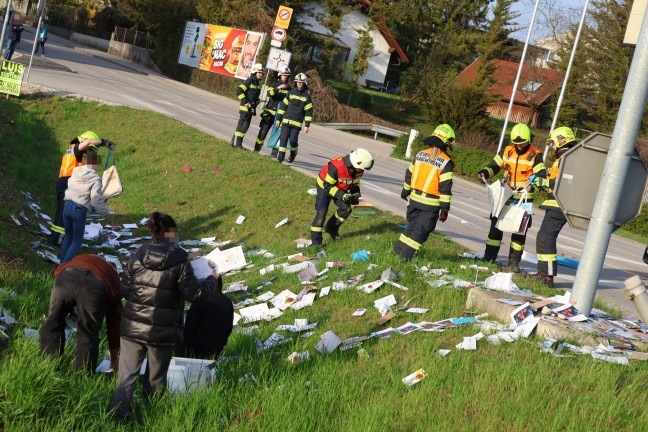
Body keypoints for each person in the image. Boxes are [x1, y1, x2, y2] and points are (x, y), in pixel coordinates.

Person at [110, 212, 219, 421]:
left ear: (153, 231)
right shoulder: (180, 261)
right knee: (155, 379)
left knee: (126, 377)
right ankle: (152, 419)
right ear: (171, 233)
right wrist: (212, 279)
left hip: (132, 327)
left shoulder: (136, 256)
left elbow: (124, 290)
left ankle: (118, 419)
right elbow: (194, 294)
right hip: (163, 331)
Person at [477, 123, 546, 272]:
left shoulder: (536, 155)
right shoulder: (507, 151)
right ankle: (489, 258)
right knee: (495, 227)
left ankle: (514, 264)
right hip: (505, 195)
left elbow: (541, 175)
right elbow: (494, 165)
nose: (519, 146)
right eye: (516, 143)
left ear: (529, 140)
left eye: (522, 143)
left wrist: (532, 183)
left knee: (519, 231)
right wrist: (484, 173)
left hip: (523, 200)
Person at [40, 254, 122, 372]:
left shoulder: (82, 257)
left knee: (52, 323)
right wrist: (114, 360)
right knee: (87, 334)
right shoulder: (115, 281)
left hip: (67, 277)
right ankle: (81, 377)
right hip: (96, 288)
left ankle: (46, 367)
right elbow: (115, 326)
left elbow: (58, 271)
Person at [394, 125, 456, 261]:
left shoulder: (420, 154)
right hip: (430, 205)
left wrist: (405, 191)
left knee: (412, 227)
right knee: (420, 232)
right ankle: (405, 258)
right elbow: (445, 188)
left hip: (414, 200)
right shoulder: (446, 162)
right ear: (447, 142)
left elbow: (409, 173)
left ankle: (397, 250)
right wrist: (445, 209)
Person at [531, 127, 578, 287]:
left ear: (561, 141)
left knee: (546, 238)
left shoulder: (568, 157)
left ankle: (547, 277)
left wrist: (541, 182)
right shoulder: (568, 157)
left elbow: (564, 182)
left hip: (559, 204)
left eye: (552, 143)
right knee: (544, 237)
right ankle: (544, 274)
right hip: (556, 203)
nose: (551, 147)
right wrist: (540, 182)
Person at [50, 131, 110, 245]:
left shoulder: (71, 150)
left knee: (60, 211)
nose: (90, 151)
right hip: (67, 182)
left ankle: (55, 236)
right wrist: (103, 142)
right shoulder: (76, 149)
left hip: (63, 181)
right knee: (64, 212)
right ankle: (58, 239)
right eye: (90, 148)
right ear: (83, 141)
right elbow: (88, 142)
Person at [310, 148, 374, 245]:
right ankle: (316, 242)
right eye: (361, 169)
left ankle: (331, 228)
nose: (361, 172)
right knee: (321, 212)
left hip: (339, 187)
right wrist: (342, 195)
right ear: (356, 163)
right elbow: (327, 187)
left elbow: (355, 182)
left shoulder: (357, 169)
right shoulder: (336, 167)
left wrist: (355, 193)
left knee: (346, 209)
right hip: (324, 186)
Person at [59, 150, 111, 263]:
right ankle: (64, 265)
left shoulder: (75, 171)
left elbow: (70, 185)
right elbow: (95, 200)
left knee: (68, 236)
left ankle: (61, 261)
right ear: (96, 164)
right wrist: (106, 213)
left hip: (67, 204)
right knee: (77, 240)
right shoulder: (96, 179)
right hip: (79, 209)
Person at [180, 275, 233, 359]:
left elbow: (189, 327)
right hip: (217, 348)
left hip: (198, 348)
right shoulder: (228, 301)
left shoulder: (200, 300)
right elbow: (229, 327)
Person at [276, 73, 313, 163]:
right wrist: (278, 119)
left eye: (301, 82)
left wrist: (307, 125)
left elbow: (309, 112)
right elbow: (283, 107)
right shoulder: (290, 93)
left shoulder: (307, 97)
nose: (299, 84)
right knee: (283, 139)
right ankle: (280, 158)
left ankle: (293, 153)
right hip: (286, 121)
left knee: (293, 141)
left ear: (304, 83)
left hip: (296, 123)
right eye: (298, 82)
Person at [254, 65, 292, 154]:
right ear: (280, 75)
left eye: (286, 75)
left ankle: (274, 154)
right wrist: (277, 89)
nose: (285, 76)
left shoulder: (289, 88)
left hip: (280, 115)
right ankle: (256, 149)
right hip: (270, 113)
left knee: (277, 134)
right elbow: (269, 94)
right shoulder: (274, 84)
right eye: (283, 75)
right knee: (263, 132)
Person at [232, 63, 264, 149]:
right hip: (245, 107)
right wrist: (245, 101)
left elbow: (255, 96)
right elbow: (239, 90)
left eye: (262, 73)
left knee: (246, 126)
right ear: (255, 72)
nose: (261, 74)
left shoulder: (258, 84)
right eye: (259, 72)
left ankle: (238, 143)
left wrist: (257, 101)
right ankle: (236, 143)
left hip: (251, 109)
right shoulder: (250, 80)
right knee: (242, 125)